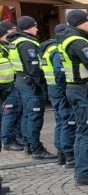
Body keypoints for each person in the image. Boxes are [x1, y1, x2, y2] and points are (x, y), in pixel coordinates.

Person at [59, 10, 88, 185]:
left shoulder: (67, 39)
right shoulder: (77, 41)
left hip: (75, 89)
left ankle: (86, 166)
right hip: (83, 91)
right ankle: (85, 172)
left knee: (82, 130)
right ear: (79, 23)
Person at [7, 16, 57, 160]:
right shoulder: (26, 43)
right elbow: (33, 67)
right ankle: (36, 149)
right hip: (30, 83)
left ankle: (29, 145)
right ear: (28, 27)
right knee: (34, 116)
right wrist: (42, 85)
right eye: (35, 26)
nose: (37, 28)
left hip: (22, 80)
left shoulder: (15, 41)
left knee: (27, 115)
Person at [39, 24, 76, 167]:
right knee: (68, 121)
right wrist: (65, 90)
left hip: (53, 90)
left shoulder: (47, 49)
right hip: (60, 89)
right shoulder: (56, 50)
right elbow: (60, 72)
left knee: (61, 121)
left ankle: (61, 153)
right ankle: (69, 155)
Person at [0, 20, 23, 152]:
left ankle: (11, 138)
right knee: (9, 113)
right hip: (4, 86)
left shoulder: (5, 47)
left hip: (8, 85)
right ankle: (7, 140)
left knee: (11, 112)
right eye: (5, 34)